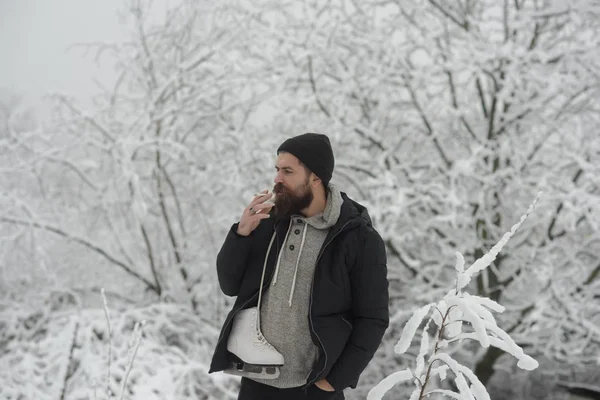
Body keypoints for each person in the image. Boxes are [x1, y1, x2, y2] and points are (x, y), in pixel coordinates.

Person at [208, 133, 389, 399]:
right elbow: (229, 285)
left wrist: (334, 381)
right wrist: (241, 234)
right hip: (256, 384)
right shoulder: (267, 223)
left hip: (314, 388)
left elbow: (373, 319)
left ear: (316, 177)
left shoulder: (358, 239)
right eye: (277, 170)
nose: (277, 179)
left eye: (288, 171)